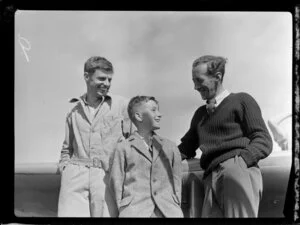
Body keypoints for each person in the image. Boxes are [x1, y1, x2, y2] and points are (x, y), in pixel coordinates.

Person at [178, 55, 273, 218]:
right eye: (193, 81)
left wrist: (242, 162)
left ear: (217, 77)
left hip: (236, 169)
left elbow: (263, 139)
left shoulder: (241, 100)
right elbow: (185, 148)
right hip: (209, 176)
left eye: (199, 80)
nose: (195, 87)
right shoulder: (200, 114)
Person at [57, 56, 133, 217]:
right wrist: (66, 169)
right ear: (86, 76)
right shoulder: (73, 112)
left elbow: (133, 141)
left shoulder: (122, 105)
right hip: (75, 179)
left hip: (108, 178)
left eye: (109, 79)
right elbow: (66, 149)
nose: (106, 83)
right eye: (101, 78)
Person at [109, 96, 183, 217]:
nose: (159, 114)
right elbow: (116, 183)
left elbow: (177, 181)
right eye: (153, 110)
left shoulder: (170, 147)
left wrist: (174, 205)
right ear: (139, 116)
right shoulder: (123, 147)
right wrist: (125, 209)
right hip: (134, 212)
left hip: (168, 212)